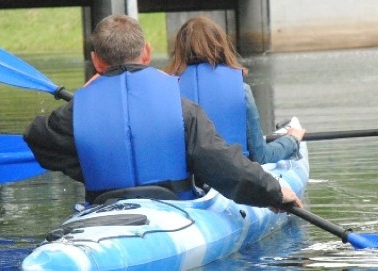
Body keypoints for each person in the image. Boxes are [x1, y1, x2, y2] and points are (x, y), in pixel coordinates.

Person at [23, 14, 302, 210]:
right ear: (146, 52)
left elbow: (36, 136)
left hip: (104, 208)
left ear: (96, 60)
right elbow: (221, 164)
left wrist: (90, 161)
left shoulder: (77, 112)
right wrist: (273, 193)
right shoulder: (181, 108)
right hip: (173, 207)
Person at [164, 15, 306, 164]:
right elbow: (261, 156)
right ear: (220, 45)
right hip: (233, 177)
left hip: (188, 182)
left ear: (178, 50)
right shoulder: (241, 90)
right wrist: (292, 140)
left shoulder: (165, 92)